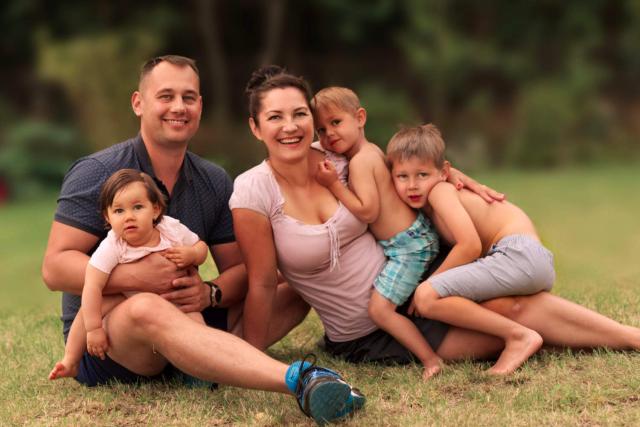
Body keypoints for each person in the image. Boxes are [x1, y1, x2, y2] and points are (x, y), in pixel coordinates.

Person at [231, 65, 640, 372]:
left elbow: (404, 161)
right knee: (508, 311)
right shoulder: (254, 191)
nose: (291, 127)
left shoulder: (337, 155)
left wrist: (450, 174)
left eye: (299, 114)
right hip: (379, 328)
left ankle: (631, 338)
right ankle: (598, 338)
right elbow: (264, 282)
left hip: (418, 270)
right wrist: (248, 358)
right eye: (275, 118)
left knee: (509, 302)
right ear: (255, 127)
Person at [42, 55, 363, 424]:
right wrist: (139, 279)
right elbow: (54, 267)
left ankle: (201, 364)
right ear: (138, 103)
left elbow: (243, 270)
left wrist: (209, 293)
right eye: (166, 96)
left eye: (189, 97)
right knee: (148, 307)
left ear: (200, 106)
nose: (178, 107)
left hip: (185, 313)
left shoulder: (213, 180)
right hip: (108, 340)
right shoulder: (97, 172)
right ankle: (299, 379)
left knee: (291, 291)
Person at [389, 124, 553, 375]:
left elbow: (470, 245)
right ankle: (539, 337)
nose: (412, 185)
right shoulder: (433, 192)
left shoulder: (440, 191)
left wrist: (431, 283)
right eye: (403, 176)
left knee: (427, 297)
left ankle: (519, 336)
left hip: (517, 253)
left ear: (444, 172)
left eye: (422, 175)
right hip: (527, 259)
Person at [312, 87, 443, 380]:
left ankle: (431, 359)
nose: (329, 134)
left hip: (408, 247)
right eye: (321, 129)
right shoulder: (371, 152)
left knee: (380, 310)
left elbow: (368, 211)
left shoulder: (360, 161)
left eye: (335, 122)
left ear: (360, 118)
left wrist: (334, 185)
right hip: (410, 238)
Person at [49, 169, 208, 380]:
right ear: (108, 216)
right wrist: (95, 329)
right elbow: (92, 285)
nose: (129, 217)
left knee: (197, 327)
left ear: (156, 209)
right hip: (126, 297)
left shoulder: (171, 229)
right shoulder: (114, 245)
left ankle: (201, 371)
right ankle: (70, 360)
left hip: (174, 299)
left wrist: (192, 254)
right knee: (87, 312)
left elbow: (201, 246)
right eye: (119, 211)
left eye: (138, 207)